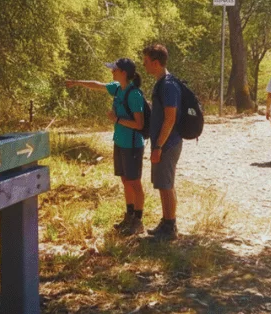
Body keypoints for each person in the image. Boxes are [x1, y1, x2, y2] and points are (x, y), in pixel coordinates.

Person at [65, 58, 146, 235]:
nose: (112, 72)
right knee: (126, 181)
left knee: (135, 183)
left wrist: (116, 119)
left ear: (123, 73)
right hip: (120, 142)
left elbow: (139, 124)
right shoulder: (117, 89)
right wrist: (77, 82)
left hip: (132, 145)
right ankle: (129, 216)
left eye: (115, 70)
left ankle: (138, 221)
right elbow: (97, 85)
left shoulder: (134, 95)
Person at [142, 44, 183, 241]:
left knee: (166, 184)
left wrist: (158, 146)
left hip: (168, 143)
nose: (144, 65)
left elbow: (170, 118)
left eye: (146, 61)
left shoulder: (168, 85)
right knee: (163, 184)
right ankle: (166, 222)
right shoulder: (162, 83)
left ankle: (170, 226)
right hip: (163, 143)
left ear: (156, 63)